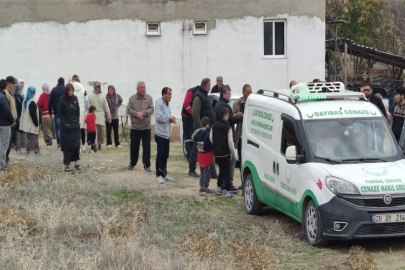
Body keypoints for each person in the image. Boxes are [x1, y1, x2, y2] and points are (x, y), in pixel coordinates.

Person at [215, 85, 243, 192]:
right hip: (225, 139)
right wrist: (240, 117)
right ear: (223, 94)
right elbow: (230, 119)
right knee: (230, 162)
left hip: (219, 140)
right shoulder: (223, 106)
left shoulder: (220, 104)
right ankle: (228, 185)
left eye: (230, 93)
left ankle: (221, 185)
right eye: (228, 94)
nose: (230, 95)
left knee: (223, 166)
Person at [189, 78, 217, 178]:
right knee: (196, 149)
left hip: (207, 129)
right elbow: (195, 113)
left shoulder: (204, 95)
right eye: (209, 86)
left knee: (209, 149)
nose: (210, 87)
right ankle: (192, 169)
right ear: (206, 86)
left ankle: (212, 172)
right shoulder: (198, 96)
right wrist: (200, 128)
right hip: (201, 130)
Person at [127, 81, 154, 172]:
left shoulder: (149, 98)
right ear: (137, 89)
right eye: (141, 88)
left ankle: (147, 165)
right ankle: (132, 163)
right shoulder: (132, 99)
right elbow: (129, 109)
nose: (143, 89)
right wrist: (136, 114)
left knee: (147, 147)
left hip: (146, 128)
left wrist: (144, 113)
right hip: (135, 128)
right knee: (134, 147)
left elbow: (151, 109)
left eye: (144, 87)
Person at [210, 107, 235, 198]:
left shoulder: (214, 126)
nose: (228, 117)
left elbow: (211, 138)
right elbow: (230, 142)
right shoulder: (228, 127)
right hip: (225, 153)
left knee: (221, 171)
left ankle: (219, 188)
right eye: (228, 115)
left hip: (217, 153)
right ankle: (228, 191)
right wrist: (231, 152)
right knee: (227, 172)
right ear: (224, 115)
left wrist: (216, 147)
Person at [155, 87, 176, 183]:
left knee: (165, 155)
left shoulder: (167, 105)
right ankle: (159, 175)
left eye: (171, 94)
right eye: (168, 94)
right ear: (163, 94)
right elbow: (159, 117)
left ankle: (164, 173)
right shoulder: (159, 103)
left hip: (166, 134)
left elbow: (166, 118)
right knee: (160, 154)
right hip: (160, 134)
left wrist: (171, 120)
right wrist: (169, 117)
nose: (170, 96)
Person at [59, 83, 81, 172]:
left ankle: (77, 162)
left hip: (75, 126)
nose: (71, 92)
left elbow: (78, 110)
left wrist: (77, 120)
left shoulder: (75, 98)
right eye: (69, 90)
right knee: (67, 146)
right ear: (67, 91)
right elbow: (60, 113)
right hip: (66, 127)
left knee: (76, 144)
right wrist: (64, 123)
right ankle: (67, 164)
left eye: (72, 90)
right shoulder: (62, 99)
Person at [233, 84, 252, 175]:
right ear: (243, 92)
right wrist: (237, 114)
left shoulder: (253, 102)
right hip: (240, 136)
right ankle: (242, 180)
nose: (250, 94)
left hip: (251, 138)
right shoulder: (237, 103)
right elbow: (231, 116)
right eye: (248, 92)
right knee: (241, 159)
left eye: (251, 92)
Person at [192, 117, 214, 194]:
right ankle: (205, 186)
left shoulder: (198, 133)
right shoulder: (207, 134)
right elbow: (209, 144)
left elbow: (196, 144)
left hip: (200, 153)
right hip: (207, 154)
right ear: (208, 125)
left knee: (202, 170)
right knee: (207, 170)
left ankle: (201, 186)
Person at [89, 82, 111, 151]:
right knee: (95, 132)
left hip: (100, 116)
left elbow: (106, 107)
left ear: (100, 88)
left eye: (98, 87)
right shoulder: (91, 96)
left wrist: (109, 116)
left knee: (100, 132)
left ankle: (99, 144)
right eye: (96, 87)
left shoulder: (102, 96)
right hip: (94, 116)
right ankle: (95, 144)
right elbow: (88, 107)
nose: (97, 89)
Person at [20, 86, 41, 156]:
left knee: (29, 141)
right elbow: (33, 115)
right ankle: (35, 154)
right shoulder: (32, 102)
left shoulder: (25, 101)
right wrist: (36, 124)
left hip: (27, 125)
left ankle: (28, 153)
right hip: (31, 125)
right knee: (34, 141)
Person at [71, 75, 90, 151]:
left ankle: (76, 145)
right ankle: (83, 145)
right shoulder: (83, 89)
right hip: (82, 112)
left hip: (73, 112)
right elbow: (87, 102)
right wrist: (86, 110)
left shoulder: (71, 89)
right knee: (82, 129)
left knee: (74, 130)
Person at [181, 85, 199, 162]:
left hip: (194, 118)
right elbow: (186, 104)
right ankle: (189, 156)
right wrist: (193, 113)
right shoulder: (191, 91)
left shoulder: (201, 93)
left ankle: (194, 156)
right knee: (188, 137)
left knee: (194, 137)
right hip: (187, 117)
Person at [0, 79, 14, 171]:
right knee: (4, 146)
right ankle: (3, 165)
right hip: (4, 124)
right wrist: (12, 119)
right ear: (5, 87)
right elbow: (6, 110)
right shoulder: (2, 97)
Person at [49, 77, 66, 149]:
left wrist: (50, 112)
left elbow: (50, 102)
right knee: (65, 127)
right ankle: (64, 142)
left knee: (58, 128)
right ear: (63, 82)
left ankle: (59, 143)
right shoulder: (66, 89)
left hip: (57, 111)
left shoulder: (54, 90)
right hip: (65, 111)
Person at [5, 76, 18, 164]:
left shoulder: (11, 93)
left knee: (9, 143)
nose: (14, 86)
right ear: (9, 84)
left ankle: (6, 159)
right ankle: (4, 160)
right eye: (13, 84)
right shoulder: (6, 93)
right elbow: (6, 109)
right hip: (6, 122)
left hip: (11, 122)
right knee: (6, 144)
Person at [12, 84, 27, 151]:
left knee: (21, 131)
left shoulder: (20, 97)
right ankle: (17, 146)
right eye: (19, 90)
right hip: (17, 117)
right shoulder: (14, 97)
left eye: (21, 90)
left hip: (21, 117)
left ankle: (22, 146)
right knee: (17, 132)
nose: (20, 91)